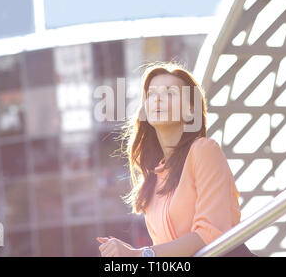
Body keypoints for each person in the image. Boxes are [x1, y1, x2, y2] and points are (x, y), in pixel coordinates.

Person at [97, 61, 244, 257]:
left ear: (191, 110)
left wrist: (139, 255)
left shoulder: (203, 150)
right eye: (151, 95)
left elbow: (211, 233)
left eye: (169, 93)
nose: (158, 100)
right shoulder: (154, 177)